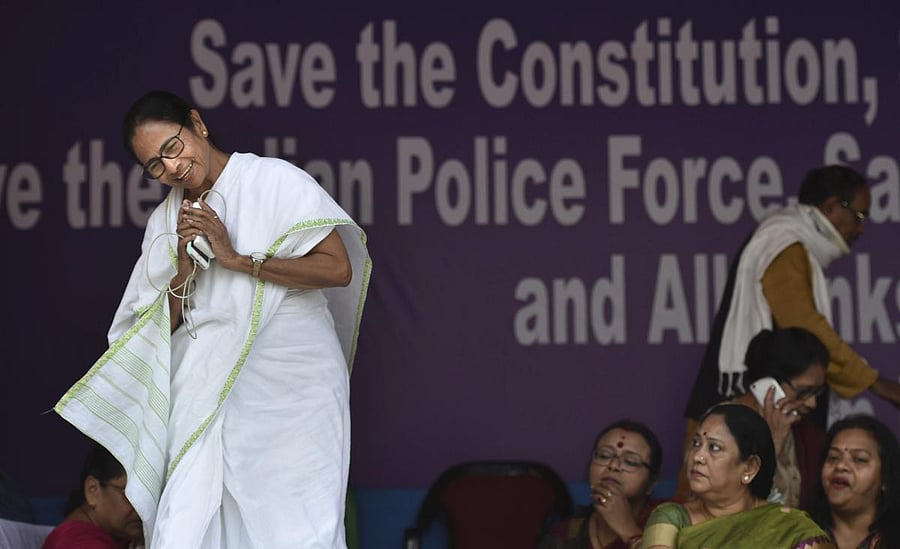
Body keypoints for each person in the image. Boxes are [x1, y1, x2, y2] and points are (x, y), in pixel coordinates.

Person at [54, 90, 371, 548]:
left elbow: (337, 268)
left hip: (292, 390)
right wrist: (184, 271)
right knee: (187, 527)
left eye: (172, 146)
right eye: (155, 165)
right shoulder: (166, 222)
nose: (172, 167)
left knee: (294, 528)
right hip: (204, 396)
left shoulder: (272, 180)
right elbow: (145, 333)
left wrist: (237, 260)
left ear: (197, 124)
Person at [682, 166, 900, 478]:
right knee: (708, 494)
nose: (861, 229)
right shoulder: (784, 246)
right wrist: (875, 383)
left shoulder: (790, 245)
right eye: (859, 216)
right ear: (831, 207)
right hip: (741, 410)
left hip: (763, 413)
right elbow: (805, 327)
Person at [641, 403, 834, 548]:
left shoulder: (789, 528)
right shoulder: (672, 517)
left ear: (749, 467)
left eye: (714, 448)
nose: (697, 456)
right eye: (696, 443)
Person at [676, 327, 829, 509]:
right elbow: (717, 505)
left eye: (817, 392)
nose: (812, 403)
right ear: (768, 384)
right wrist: (773, 443)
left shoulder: (804, 432)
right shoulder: (720, 424)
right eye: (803, 392)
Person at [539, 420, 664, 549]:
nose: (613, 465)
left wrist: (629, 531)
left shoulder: (666, 524)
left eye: (630, 461)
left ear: (652, 484)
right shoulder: (566, 534)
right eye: (604, 456)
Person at [812, 414, 900, 548]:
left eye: (859, 459)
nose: (840, 466)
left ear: (885, 478)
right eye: (833, 457)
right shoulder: (798, 535)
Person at [42, 442, 143, 549]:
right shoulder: (77, 543)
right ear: (92, 490)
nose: (141, 508)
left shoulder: (119, 536)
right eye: (130, 494)